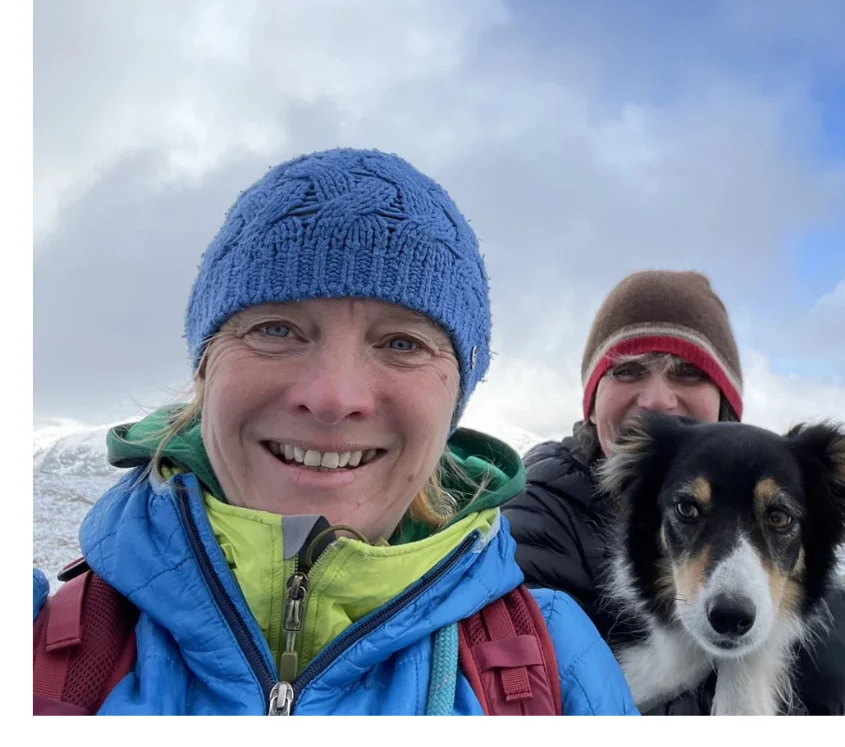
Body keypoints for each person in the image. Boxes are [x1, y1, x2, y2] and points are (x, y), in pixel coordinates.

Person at [31, 148, 638, 716]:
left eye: (402, 343)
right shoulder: (36, 644)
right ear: (206, 366)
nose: (332, 398)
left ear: (455, 394)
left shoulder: (557, 666)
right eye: (275, 329)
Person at [502, 270, 845, 715]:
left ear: (724, 402)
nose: (658, 400)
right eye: (628, 369)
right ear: (592, 396)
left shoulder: (800, 505)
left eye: (687, 373)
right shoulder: (531, 520)